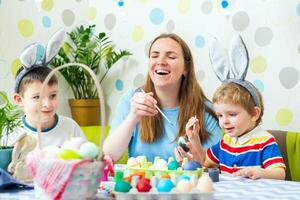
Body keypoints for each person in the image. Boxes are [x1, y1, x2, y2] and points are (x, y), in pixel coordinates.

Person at [103, 33, 222, 162]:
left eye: (171, 57)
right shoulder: (133, 99)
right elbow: (109, 155)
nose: (160, 61)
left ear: (186, 68)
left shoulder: (206, 110)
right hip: (141, 181)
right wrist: (133, 117)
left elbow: (215, 165)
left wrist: (197, 158)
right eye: (154, 56)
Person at [182, 35, 286, 180]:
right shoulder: (225, 143)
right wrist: (194, 140)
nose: (224, 121)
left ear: (254, 114)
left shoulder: (264, 141)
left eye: (232, 114)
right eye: (220, 115)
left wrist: (259, 172)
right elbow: (205, 164)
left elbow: (280, 174)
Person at [4, 29, 85, 147]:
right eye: (37, 97)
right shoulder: (11, 132)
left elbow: (87, 159)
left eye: (53, 95)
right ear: (19, 100)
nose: (47, 104)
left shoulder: (70, 128)